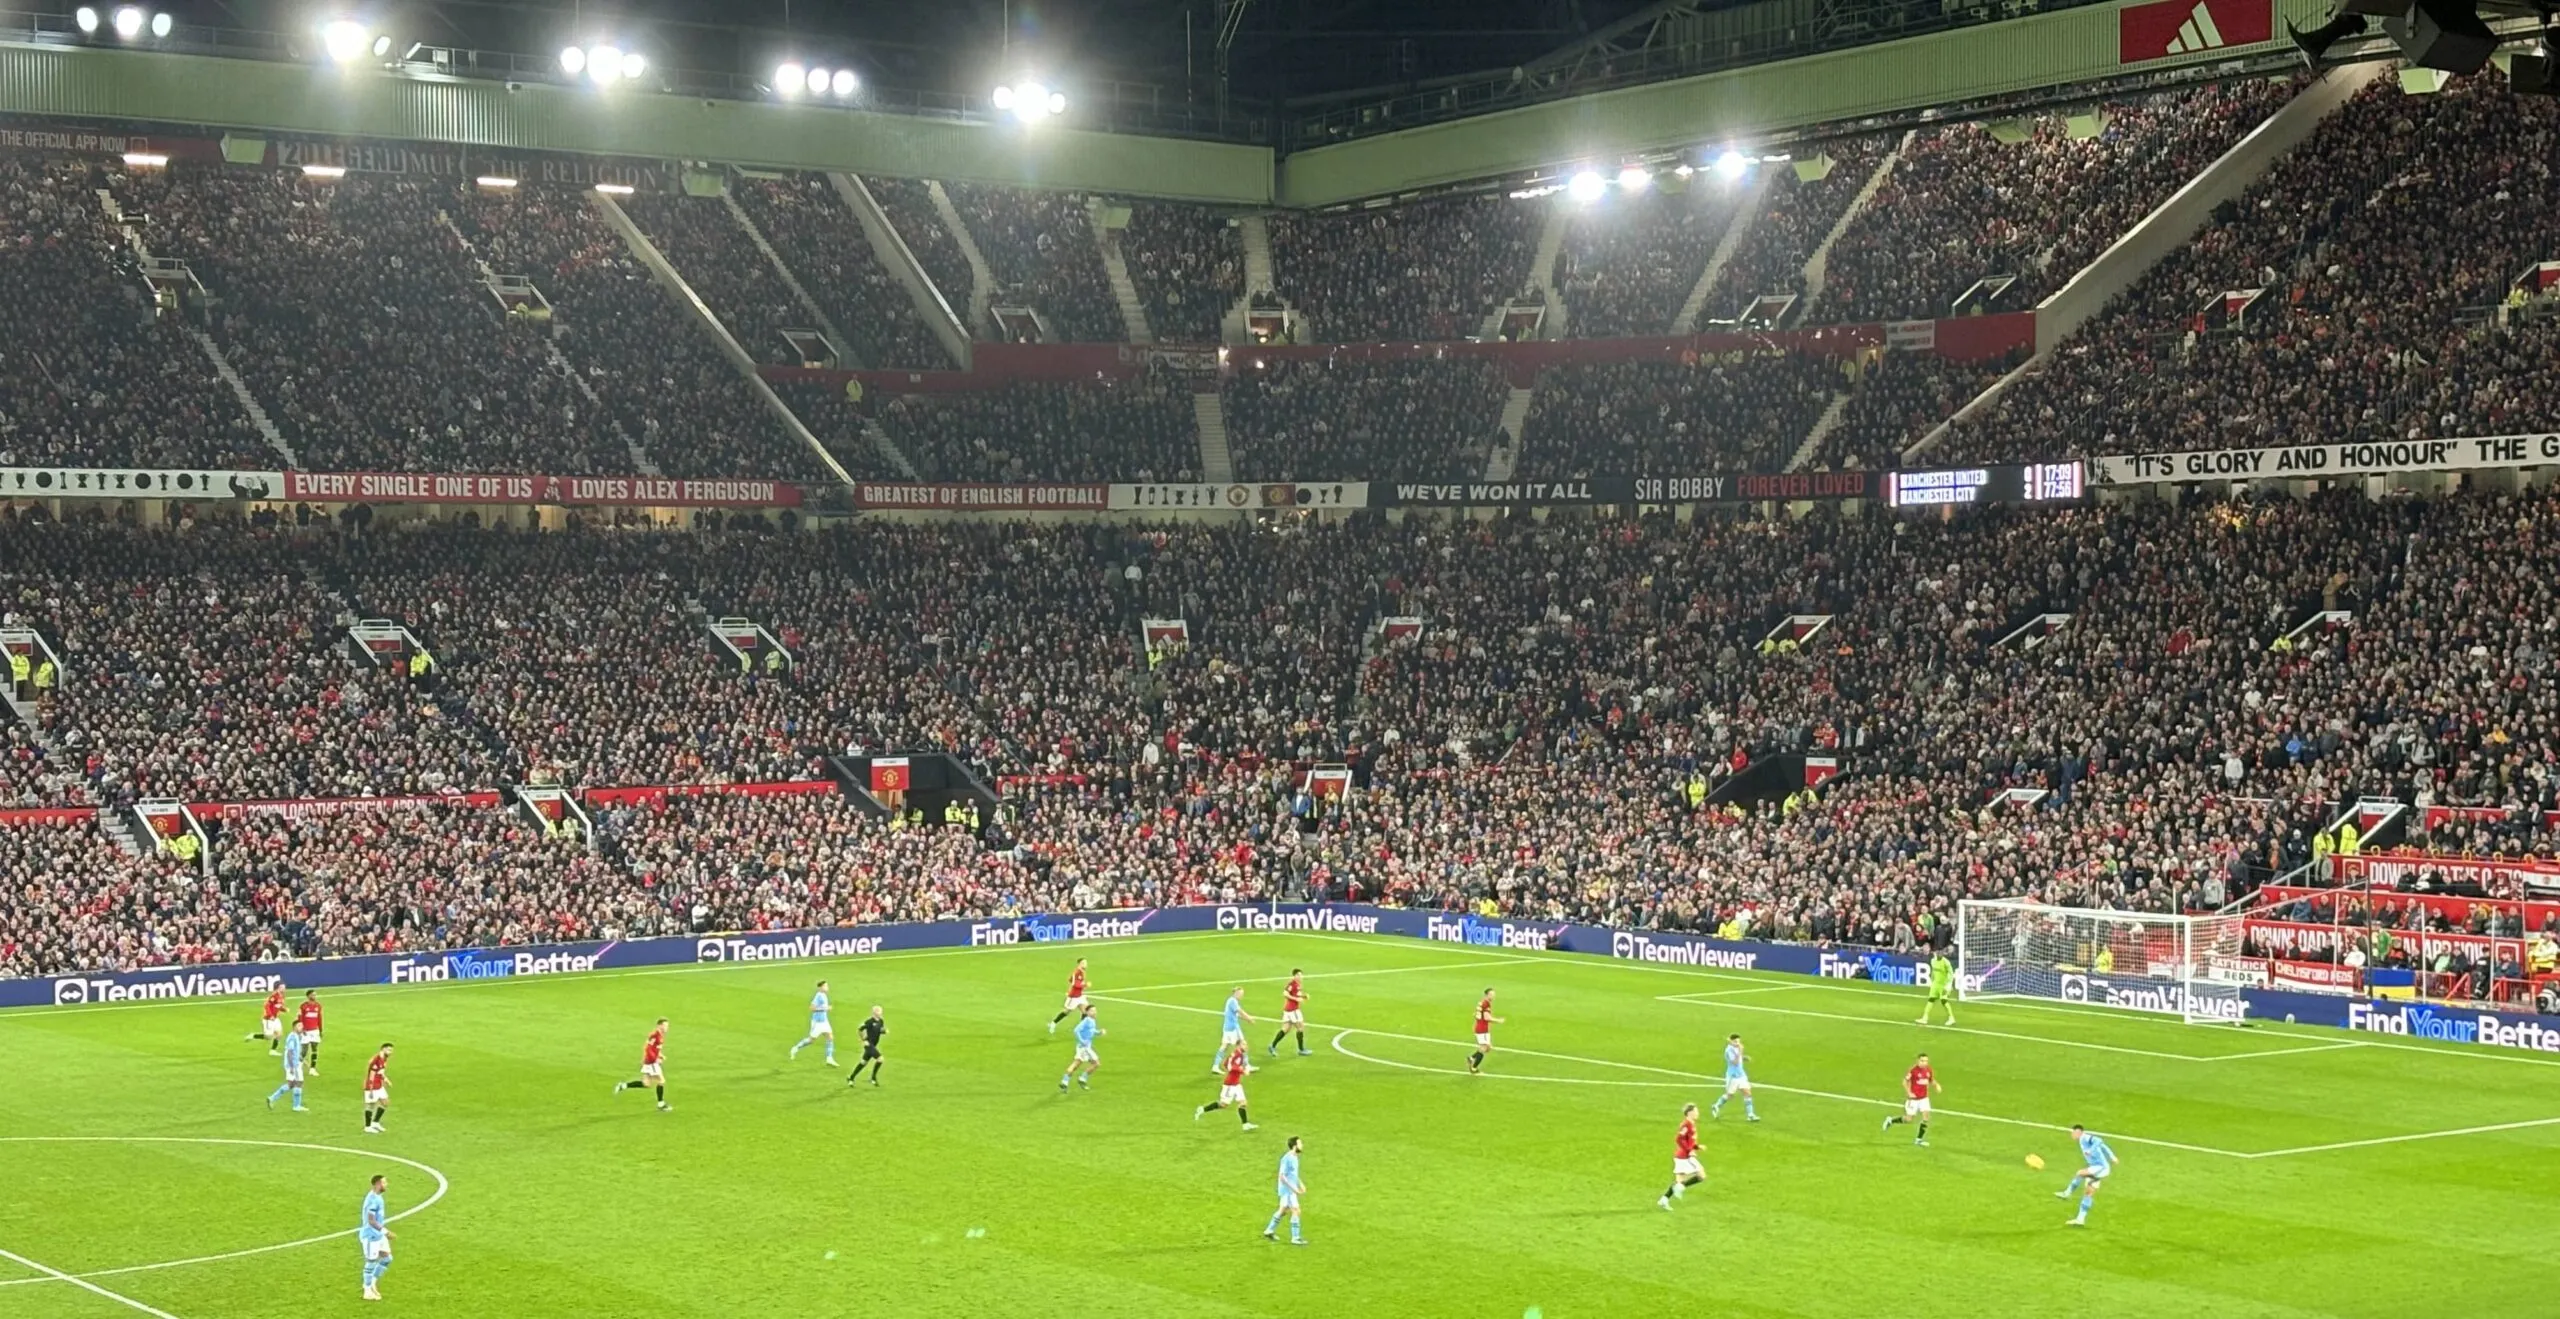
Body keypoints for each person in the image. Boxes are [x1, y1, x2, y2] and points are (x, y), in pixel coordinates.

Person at [2057, 1124, 2117, 1227]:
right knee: (2088, 1193)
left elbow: (2099, 1141)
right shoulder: (2081, 1140)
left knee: (2080, 1173)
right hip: (2096, 1167)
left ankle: (2067, 1193)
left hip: (2101, 1167)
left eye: (2073, 1132)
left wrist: (2090, 1150)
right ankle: (2080, 1219)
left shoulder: (2085, 1137)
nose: (2072, 1135)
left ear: (2079, 1132)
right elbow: (2103, 1146)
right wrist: (2112, 1156)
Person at [1196, 1042, 1257, 1130]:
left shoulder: (1238, 1054)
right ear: (1239, 1045)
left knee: (1243, 1102)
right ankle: (1202, 1109)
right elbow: (1230, 1066)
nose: (1246, 1046)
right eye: (1244, 1044)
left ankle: (1245, 1125)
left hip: (1236, 1083)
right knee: (1223, 1104)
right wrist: (1242, 1070)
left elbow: (1225, 1063)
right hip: (1230, 1085)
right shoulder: (1237, 1055)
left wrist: (1239, 1071)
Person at [615, 1019, 671, 1111]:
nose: (667, 1028)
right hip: (651, 1062)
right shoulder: (655, 1035)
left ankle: (623, 1085)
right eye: (665, 1026)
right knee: (661, 1081)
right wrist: (655, 1059)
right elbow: (648, 1048)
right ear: (659, 1026)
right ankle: (661, 1104)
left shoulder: (660, 1036)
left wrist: (660, 1055)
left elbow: (655, 1049)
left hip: (649, 1061)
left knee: (646, 1084)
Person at [1881, 1052, 1935, 1146]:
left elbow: (1931, 1080)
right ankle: (1891, 1120)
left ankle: (1919, 1140)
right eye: (1922, 1061)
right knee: (1909, 1119)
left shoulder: (1928, 1070)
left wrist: (1936, 1085)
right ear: (1918, 1061)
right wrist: (1909, 1093)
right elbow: (1904, 1081)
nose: (1924, 1063)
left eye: (1926, 1061)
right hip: (1913, 1100)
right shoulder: (1913, 1071)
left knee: (1926, 1117)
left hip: (1924, 1098)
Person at [1659, 1103, 1705, 1210]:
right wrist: (1689, 1151)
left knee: (1679, 1181)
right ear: (1690, 1113)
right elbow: (1679, 1139)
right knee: (1701, 1175)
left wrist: (1697, 1147)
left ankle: (1664, 1199)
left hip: (1682, 1156)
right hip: (1685, 1157)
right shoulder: (1686, 1124)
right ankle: (1679, 1188)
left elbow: (1689, 1141)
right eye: (1696, 1111)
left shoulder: (1691, 1124)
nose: (1698, 1113)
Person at [1264, 1135, 1307, 1245]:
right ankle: (1295, 1238)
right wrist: (1295, 1190)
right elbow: (1282, 1177)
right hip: (1287, 1190)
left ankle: (1269, 1230)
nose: (1302, 1145)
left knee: (1283, 1210)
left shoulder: (1295, 1157)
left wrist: (1301, 1184)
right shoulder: (1286, 1159)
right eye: (1300, 1143)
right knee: (1296, 1210)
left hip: (1290, 1190)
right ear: (1294, 1146)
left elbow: (1293, 1174)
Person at [359, 1173, 394, 1302]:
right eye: (384, 1183)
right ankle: (367, 1291)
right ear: (378, 1184)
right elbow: (371, 1221)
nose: (386, 1185)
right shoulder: (372, 1200)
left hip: (378, 1235)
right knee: (371, 1262)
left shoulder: (378, 1197)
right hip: (370, 1236)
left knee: (387, 1258)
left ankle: (372, 1282)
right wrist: (386, 1232)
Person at [1710, 1033, 1758, 1121]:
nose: (1737, 1043)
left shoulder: (1736, 1048)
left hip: (1741, 1075)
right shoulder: (1729, 1050)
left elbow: (1738, 1058)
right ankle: (1716, 1106)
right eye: (1735, 1041)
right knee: (1730, 1095)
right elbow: (1735, 1062)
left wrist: (1744, 1058)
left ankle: (1750, 1115)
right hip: (1733, 1076)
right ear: (1731, 1041)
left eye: (1738, 1041)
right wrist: (1740, 1051)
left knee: (1747, 1093)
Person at [790, 980, 836, 1066]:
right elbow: (812, 1008)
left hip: (824, 1021)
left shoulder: (824, 995)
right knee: (811, 1040)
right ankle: (796, 1048)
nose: (827, 987)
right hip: (817, 1022)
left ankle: (829, 1058)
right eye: (825, 986)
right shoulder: (818, 996)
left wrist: (826, 1009)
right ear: (821, 987)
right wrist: (825, 1009)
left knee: (830, 1037)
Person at [1060, 1004, 1103, 1090]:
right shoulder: (1086, 1020)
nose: (1094, 1012)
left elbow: (1091, 1030)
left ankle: (1065, 1081)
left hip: (1085, 1047)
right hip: (1084, 1047)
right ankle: (1081, 1079)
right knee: (1095, 1063)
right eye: (1092, 1011)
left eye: (1095, 1010)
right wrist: (1082, 1041)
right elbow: (1076, 1030)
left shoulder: (1092, 1020)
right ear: (1087, 1012)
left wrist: (1098, 1032)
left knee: (1077, 1065)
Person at [1213, 986, 1255, 1072]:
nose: (1241, 996)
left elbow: (1236, 1014)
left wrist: (1247, 1019)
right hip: (1233, 1028)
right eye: (1240, 994)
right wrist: (1249, 1018)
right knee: (1243, 1044)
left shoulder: (1230, 1001)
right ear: (1236, 993)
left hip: (1227, 1028)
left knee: (1225, 1046)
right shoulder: (1233, 1001)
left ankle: (1215, 1066)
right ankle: (1247, 1066)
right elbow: (1240, 1011)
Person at [1268, 968, 1309, 1057]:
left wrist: (1303, 996)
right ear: (1294, 976)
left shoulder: (1298, 984)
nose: (1300, 976)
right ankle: (1301, 1049)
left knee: (1286, 1029)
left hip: (1290, 1010)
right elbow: (1285, 993)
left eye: (1301, 975)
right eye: (1298, 975)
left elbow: (1295, 994)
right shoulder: (1292, 984)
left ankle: (1272, 1046)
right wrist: (1296, 999)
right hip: (1292, 1010)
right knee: (1300, 1027)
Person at [267, 1027, 308, 1113]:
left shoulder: (296, 1036)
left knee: (291, 1084)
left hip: (294, 1064)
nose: (302, 1028)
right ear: (294, 1027)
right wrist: (292, 1067)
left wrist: (303, 1061)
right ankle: (296, 1106)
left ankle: (272, 1098)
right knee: (298, 1083)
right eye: (300, 1026)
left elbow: (295, 1052)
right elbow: (289, 1052)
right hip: (293, 1065)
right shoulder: (293, 1037)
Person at [1465, 988, 1503, 1074]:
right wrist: (1498, 1021)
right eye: (1491, 994)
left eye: (1494, 994)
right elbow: (1487, 1018)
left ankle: (1471, 1058)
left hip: (1480, 1027)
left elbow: (1475, 1014)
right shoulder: (1486, 1004)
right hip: (1482, 1029)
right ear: (1487, 995)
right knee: (1484, 1048)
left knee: (1487, 1048)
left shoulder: (1481, 1002)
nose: (1493, 996)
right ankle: (1474, 1068)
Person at [846, 1006, 887, 1087]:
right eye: (879, 1011)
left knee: (863, 1062)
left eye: (881, 1011)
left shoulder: (881, 1021)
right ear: (874, 1012)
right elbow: (860, 1029)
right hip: (869, 1045)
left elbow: (879, 1030)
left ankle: (851, 1078)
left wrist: (884, 1031)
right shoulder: (869, 1021)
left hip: (874, 1045)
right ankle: (873, 1077)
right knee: (880, 1059)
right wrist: (863, 1040)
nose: (880, 1013)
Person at [1048, 958, 1089, 1034]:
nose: (1086, 964)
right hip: (1073, 997)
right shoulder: (1076, 972)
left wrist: (1081, 987)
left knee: (1086, 1011)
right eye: (1084, 963)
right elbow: (1074, 983)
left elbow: (1070, 980)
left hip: (1080, 995)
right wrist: (1085, 985)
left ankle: (1081, 1029)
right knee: (1067, 1012)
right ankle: (1053, 1023)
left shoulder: (1082, 972)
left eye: (1086, 963)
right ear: (1080, 964)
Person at [361, 1043, 393, 1134]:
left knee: (385, 1103)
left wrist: (386, 1079)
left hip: (379, 1085)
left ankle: (375, 1122)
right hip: (372, 1086)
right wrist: (370, 1090)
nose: (390, 1052)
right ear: (383, 1049)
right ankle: (367, 1127)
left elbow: (381, 1071)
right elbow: (371, 1075)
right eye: (389, 1050)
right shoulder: (376, 1060)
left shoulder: (384, 1059)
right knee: (371, 1105)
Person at [1919, 950, 1957, 1026]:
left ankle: (1951, 1018)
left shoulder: (1946, 962)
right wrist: (1931, 980)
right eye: (1939, 953)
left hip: (1944, 985)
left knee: (1944, 1001)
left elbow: (1951, 973)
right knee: (1931, 999)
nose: (1940, 954)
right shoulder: (1933, 961)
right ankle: (1925, 1018)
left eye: (1941, 953)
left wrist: (1949, 985)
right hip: (1935, 984)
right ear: (1936, 953)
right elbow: (1933, 971)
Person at [248, 986, 287, 1053]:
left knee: (279, 1034)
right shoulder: (273, 996)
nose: (283, 989)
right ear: (278, 988)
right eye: (281, 987)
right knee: (268, 1037)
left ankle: (273, 1050)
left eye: (284, 987)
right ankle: (253, 1035)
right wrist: (271, 1015)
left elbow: (278, 1006)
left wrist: (284, 1009)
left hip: (276, 1019)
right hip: (268, 1019)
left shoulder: (282, 996)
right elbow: (267, 1005)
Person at [297, 991, 325, 1074]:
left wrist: (320, 1030)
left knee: (314, 1049)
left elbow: (319, 1018)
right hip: (305, 1031)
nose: (314, 996)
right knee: (304, 1050)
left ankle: (312, 1069)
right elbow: (300, 1018)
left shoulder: (318, 1006)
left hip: (315, 1030)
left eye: (315, 995)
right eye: (313, 995)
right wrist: (302, 1029)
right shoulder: (303, 1006)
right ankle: (298, 1067)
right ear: (308, 996)